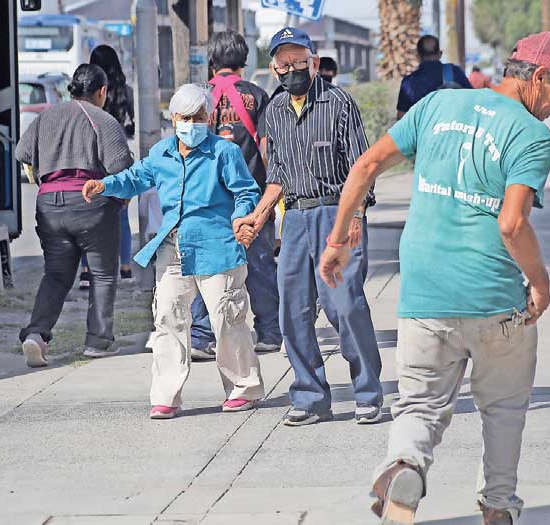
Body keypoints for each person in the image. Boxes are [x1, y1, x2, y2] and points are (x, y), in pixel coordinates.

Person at [319, 31, 550, 524]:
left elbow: (366, 165)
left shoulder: (436, 106)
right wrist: (541, 283)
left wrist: (338, 239)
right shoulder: (532, 137)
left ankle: (405, 466)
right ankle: (497, 506)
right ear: (538, 78)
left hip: (425, 295)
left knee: (418, 407)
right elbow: (512, 224)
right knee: (505, 411)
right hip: (494, 300)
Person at [81, 84, 265, 420]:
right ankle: (166, 396)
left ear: (208, 119)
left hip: (217, 246)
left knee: (226, 318)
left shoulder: (224, 152)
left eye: (199, 117)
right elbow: (135, 178)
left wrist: (242, 217)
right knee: (167, 317)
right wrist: (104, 185)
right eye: (186, 117)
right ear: (173, 118)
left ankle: (243, 389)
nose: (192, 123)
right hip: (173, 247)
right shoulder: (161, 152)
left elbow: (245, 192)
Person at [239, 27, 383, 426]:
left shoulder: (339, 103)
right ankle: (309, 396)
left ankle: (369, 393)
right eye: (283, 63)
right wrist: (259, 215)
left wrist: (355, 218)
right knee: (293, 311)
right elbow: (279, 174)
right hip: (296, 218)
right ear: (273, 67)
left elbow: (362, 167)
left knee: (345, 307)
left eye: (299, 61)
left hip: (337, 212)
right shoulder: (276, 111)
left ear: (314, 61)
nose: (292, 69)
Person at [15, 64, 134, 367]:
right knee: (103, 274)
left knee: (56, 274)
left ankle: (36, 334)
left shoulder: (46, 117)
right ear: (102, 91)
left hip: (49, 205)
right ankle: (98, 341)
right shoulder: (103, 120)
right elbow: (121, 165)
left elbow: (22, 153)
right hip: (91, 203)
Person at [188, 29, 282, 361]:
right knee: (259, 266)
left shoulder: (198, 97)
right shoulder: (258, 95)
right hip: (254, 198)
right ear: (244, 60)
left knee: (204, 267)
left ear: (212, 60)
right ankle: (270, 332)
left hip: (209, 200)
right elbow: (269, 148)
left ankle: (201, 336)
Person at [78, 44, 137, 290]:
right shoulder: (126, 91)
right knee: (120, 212)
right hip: (117, 155)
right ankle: (124, 267)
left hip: (90, 155)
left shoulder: (85, 93)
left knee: (87, 212)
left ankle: (86, 271)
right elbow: (129, 125)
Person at [396, 34, 472, 119]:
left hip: (422, 131)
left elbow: (401, 116)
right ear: (440, 54)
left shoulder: (409, 82)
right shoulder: (455, 73)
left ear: (418, 56)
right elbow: (472, 101)